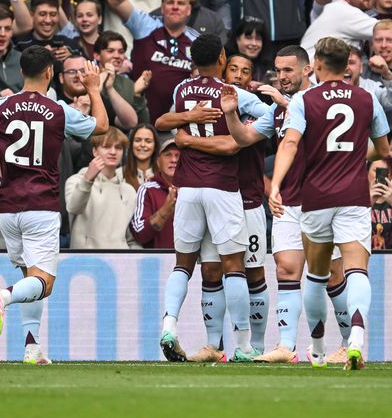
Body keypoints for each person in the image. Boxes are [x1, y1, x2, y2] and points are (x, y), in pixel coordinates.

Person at [0, 45, 108, 364]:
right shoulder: (59, 110)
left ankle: (32, 348)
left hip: (7, 206)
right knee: (43, 283)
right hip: (42, 206)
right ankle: (3, 296)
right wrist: (93, 88)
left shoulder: (0, 106)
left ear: (21, 72)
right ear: (50, 73)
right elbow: (101, 126)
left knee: (29, 275)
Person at [222, 45, 353, 364]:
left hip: (321, 201)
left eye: (288, 70)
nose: (281, 77)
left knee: (332, 274)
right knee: (285, 269)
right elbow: (244, 138)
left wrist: (283, 102)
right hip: (288, 203)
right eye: (278, 71)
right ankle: (286, 345)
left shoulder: (323, 100)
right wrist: (229, 113)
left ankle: (349, 343)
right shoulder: (278, 111)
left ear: (308, 70)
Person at [268, 37, 390, 370]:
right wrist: (351, 158)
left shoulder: (305, 99)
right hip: (353, 196)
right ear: (347, 65)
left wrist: (276, 184)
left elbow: (290, 143)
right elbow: (383, 148)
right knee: (356, 270)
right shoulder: (367, 98)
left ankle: (318, 349)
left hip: (316, 197)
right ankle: (357, 341)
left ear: (318, 64)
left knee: (318, 275)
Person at [152, 34, 270, 363]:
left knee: (184, 265)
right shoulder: (232, 94)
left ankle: (169, 326)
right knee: (233, 267)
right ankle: (244, 345)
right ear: (221, 58)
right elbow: (268, 118)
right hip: (222, 187)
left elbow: (163, 122)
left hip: (187, 187)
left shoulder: (182, 90)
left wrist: (186, 136)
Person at [107, 0, 199, 125]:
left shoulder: (197, 42)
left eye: (180, 3)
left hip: (178, 126)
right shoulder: (145, 25)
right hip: (141, 122)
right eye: (170, 2)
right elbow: (116, 0)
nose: (175, 7)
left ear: (189, 10)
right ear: (162, 8)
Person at [66, 127, 137, 249]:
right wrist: (87, 180)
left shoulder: (129, 190)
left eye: (118, 148)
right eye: (106, 147)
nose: (113, 152)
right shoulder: (75, 180)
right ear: (95, 151)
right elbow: (74, 208)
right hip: (86, 263)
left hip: (120, 263)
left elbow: (131, 238)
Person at [130, 136, 180, 248]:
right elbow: (139, 233)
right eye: (168, 155)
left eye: (178, 156)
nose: (173, 160)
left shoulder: (194, 190)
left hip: (192, 263)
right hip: (157, 262)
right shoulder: (147, 189)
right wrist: (165, 210)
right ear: (158, 161)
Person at [343, 46, 392, 112]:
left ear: (361, 68)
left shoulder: (372, 89)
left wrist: (387, 74)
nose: (345, 68)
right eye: (340, 63)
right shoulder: (331, 87)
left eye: (351, 62)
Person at [120, 124, 159, 190]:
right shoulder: (119, 175)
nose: (142, 145)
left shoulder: (164, 175)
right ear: (131, 144)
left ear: (155, 146)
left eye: (148, 141)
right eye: (138, 140)